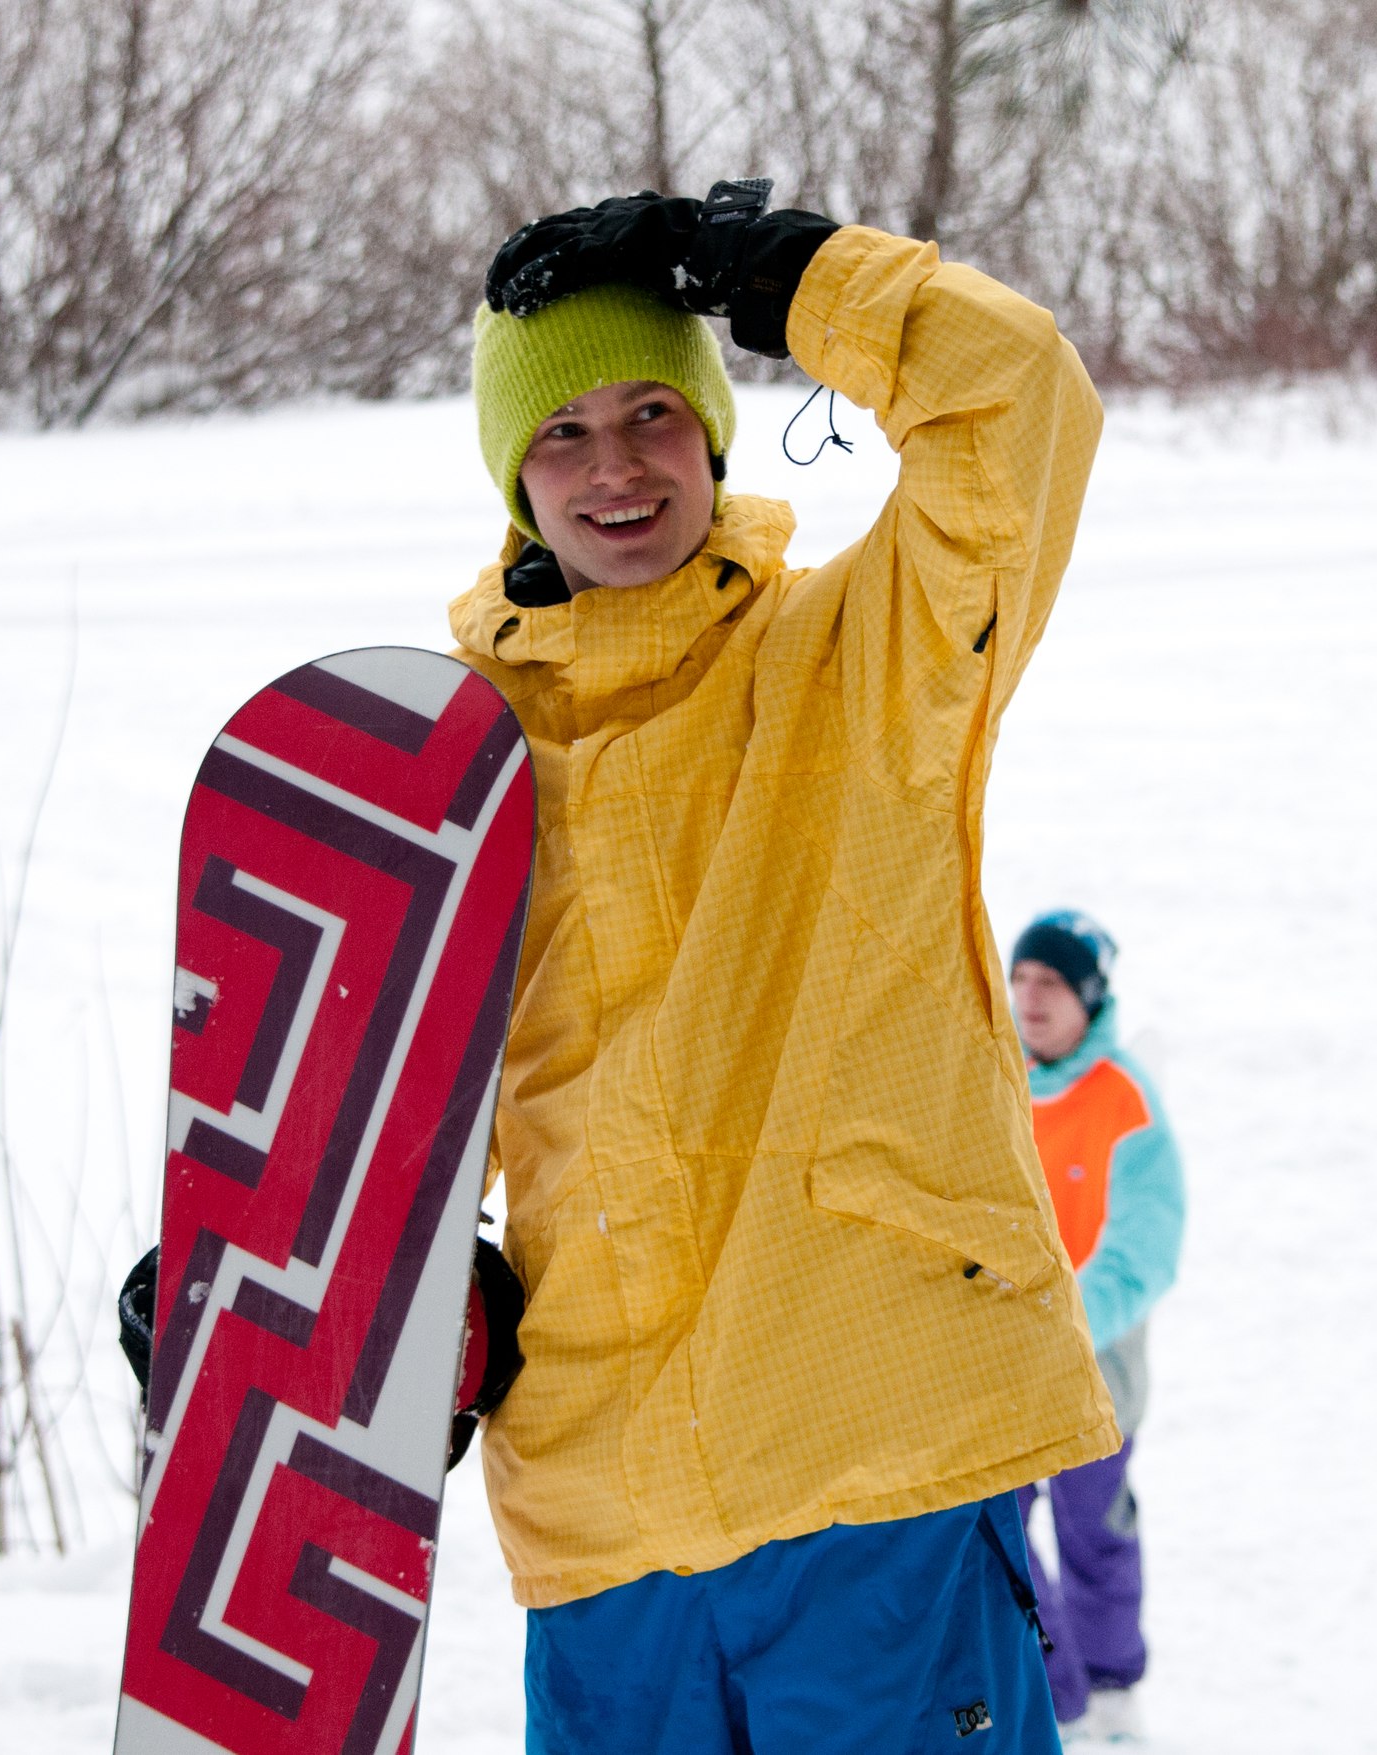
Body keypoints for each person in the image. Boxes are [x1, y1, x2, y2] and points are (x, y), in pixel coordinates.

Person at [449, 184, 1113, 1751]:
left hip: (871, 1461)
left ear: (716, 433)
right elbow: (394, 1112)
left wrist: (786, 270)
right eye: (563, 432)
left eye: (655, 412)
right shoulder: (463, 760)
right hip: (604, 1511)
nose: (616, 467)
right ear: (511, 473)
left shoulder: (865, 661)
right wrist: (262, 1296)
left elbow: (1018, 399)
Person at [1007, 911, 1185, 1746]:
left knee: (1096, 1533)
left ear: (1089, 997)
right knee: (1002, 1538)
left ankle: (1113, 1696)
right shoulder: (994, 1074)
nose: (1030, 997)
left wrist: (1064, 1323)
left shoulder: (1126, 1099)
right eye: (1021, 978)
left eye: (1051, 982)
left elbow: (1144, 1250)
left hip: (1097, 1370)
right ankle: (1060, 1701)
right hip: (999, 1365)